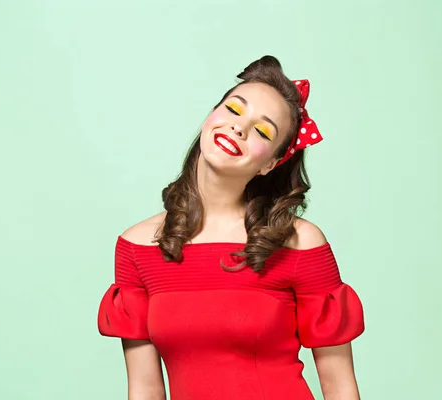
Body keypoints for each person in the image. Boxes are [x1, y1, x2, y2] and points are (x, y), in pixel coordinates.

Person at [97, 55, 365, 400]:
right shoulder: (137, 247)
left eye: (263, 130)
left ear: (271, 163)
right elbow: (145, 389)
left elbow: (339, 386)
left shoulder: (300, 243)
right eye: (234, 110)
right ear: (211, 116)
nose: (239, 127)